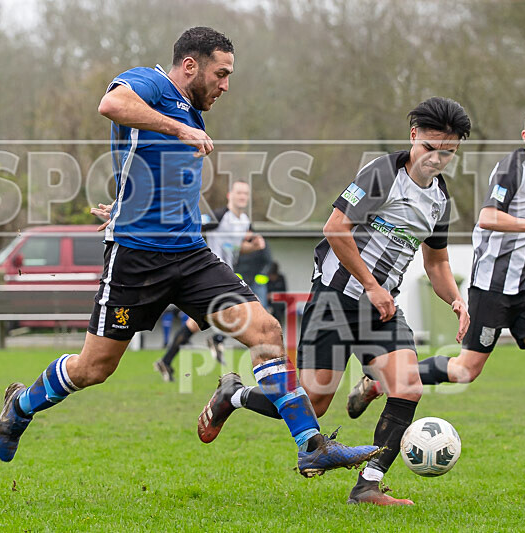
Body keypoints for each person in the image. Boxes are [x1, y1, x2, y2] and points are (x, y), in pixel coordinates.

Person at [0, 27, 379, 478]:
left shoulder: (193, 116)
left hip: (192, 257)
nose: (226, 85)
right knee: (94, 368)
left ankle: (310, 446)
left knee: (266, 331)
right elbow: (112, 105)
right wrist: (175, 128)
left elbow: (153, 174)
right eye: (221, 73)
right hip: (136, 260)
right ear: (190, 65)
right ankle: (20, 405)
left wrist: (128, 201)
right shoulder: (151, 84)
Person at [197, 97, 472, 504]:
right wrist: (372, 284)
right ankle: (232, 396)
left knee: (408, 386)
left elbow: (436, 262)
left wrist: (456, 300)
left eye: (447, 152)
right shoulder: (382, 174)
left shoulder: (440, 199)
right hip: (336, 299)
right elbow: (335, 229)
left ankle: (367, 485)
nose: (437, 158)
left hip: (382, 308)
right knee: (315, 402)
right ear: (414, 136)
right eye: (431, 147)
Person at [346, 104, 525, 478]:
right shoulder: (513, 168)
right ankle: (382, 380)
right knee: (465, 371)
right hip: (492, 289)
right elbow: (489, 217)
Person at [153, 180, 266, 381]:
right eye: (239, 193)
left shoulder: (245, 221)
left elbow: (238, 247)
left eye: (245, 194)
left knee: (197, 322)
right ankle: (217, 339)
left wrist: (255, 246)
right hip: (210, 273)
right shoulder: (219, 216)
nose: (242, 197)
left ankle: (167, 361)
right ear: (230, 195)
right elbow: (193, 223)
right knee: (250, 303)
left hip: (225, 273)